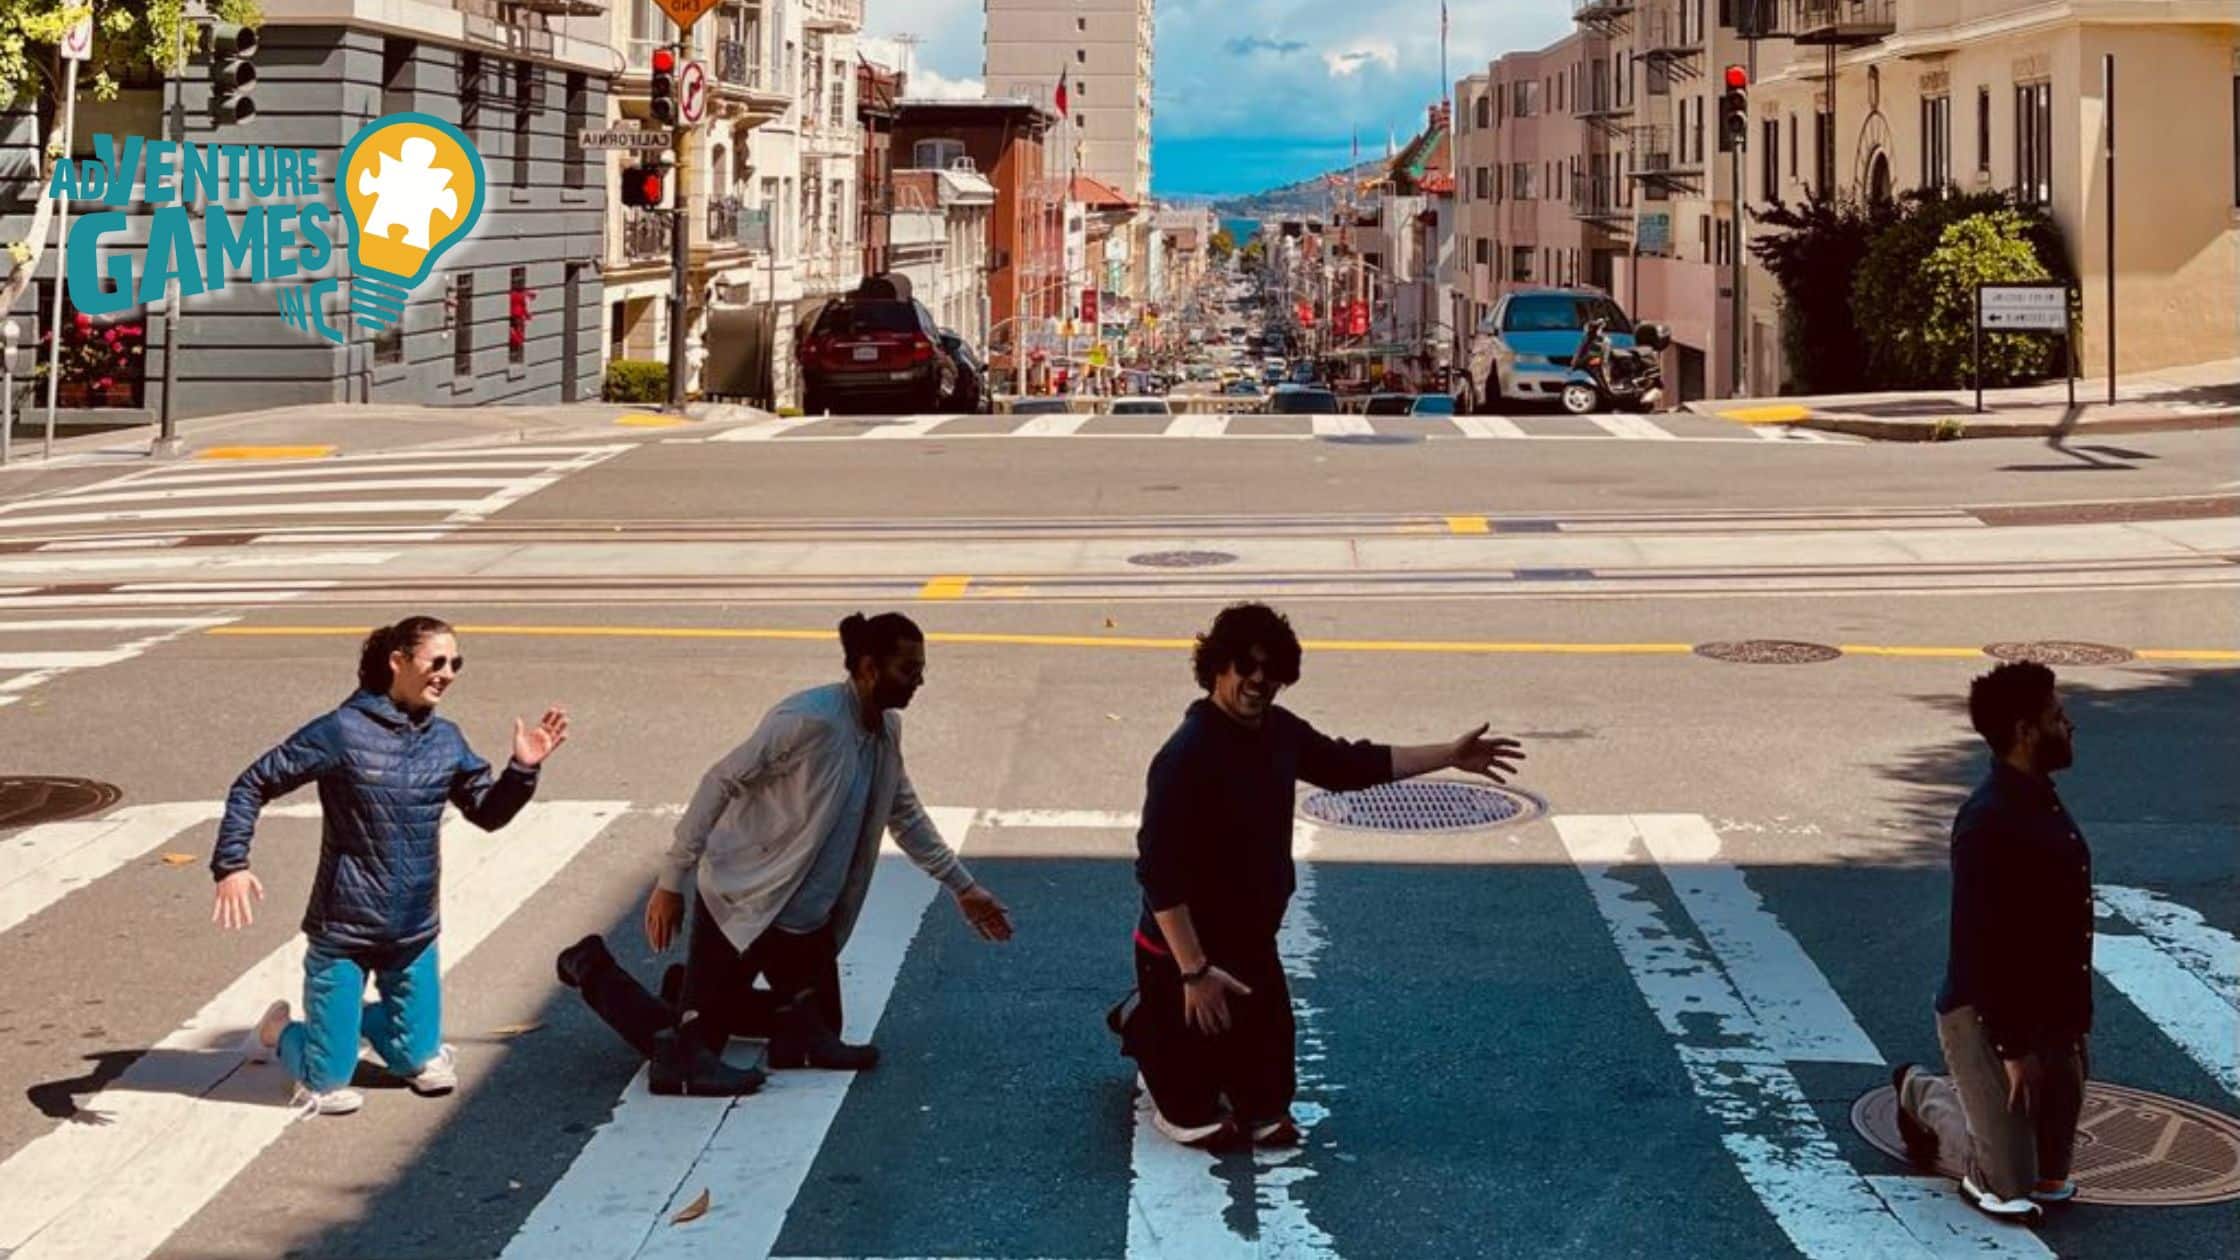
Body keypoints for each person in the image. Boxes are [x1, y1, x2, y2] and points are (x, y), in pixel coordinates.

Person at [1121, 602, 1525, 1149]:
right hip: (1181, 950)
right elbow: (1158, 872)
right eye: (1246, 666)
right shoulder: (1186, 755)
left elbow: (1348, 765)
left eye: (1273, 670)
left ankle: (1185, 1036)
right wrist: (1193, 973)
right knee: (1197, 1118)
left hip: (1249, 945)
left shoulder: (1277, 731)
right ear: (1217, 667)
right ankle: (1151, 1028)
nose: (1260, 681)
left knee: (1268, 1112)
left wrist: (1449, 755)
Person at [558, 612, 1013, 1091]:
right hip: (746, 896)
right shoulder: (809, 721)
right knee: (693, 1045)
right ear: (868, 668)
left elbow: (905, 813)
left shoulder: (885, 731)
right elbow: (720, 780)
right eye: (908, 669)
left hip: (804, 917)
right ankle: (594, 968)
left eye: (921, 669)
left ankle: (695, 991)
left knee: (817, 1032)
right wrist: (672, 881)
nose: (918, 681)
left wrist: (964, 888)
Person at [215, 616, 569, 1116]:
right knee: (328, 1083)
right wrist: (232, 864)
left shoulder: (445, 739)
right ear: (397, 661)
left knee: (420, 1063)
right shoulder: (340, 731)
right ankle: (281, 1034)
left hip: (413, 930)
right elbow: (252, 783)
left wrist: (522, 770)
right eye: (436, 662)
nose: (447, 673)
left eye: (456, 664)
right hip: (344, 929)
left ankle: (344, 1023)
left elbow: (488, 814)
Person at [1893, 661, 2092, 1222]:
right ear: (2026, 732)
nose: (2070, 725)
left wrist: (2072, 1036)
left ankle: (1994, 1110)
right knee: (2007, 1184)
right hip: (1984, 1014)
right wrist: (2012, 1050)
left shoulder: (2042, 801)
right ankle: (1920, 1093)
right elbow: (1981, 947)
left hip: (2051, 1017)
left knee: (2052, 1179)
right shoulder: (1987, 821)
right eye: (2058, 716)